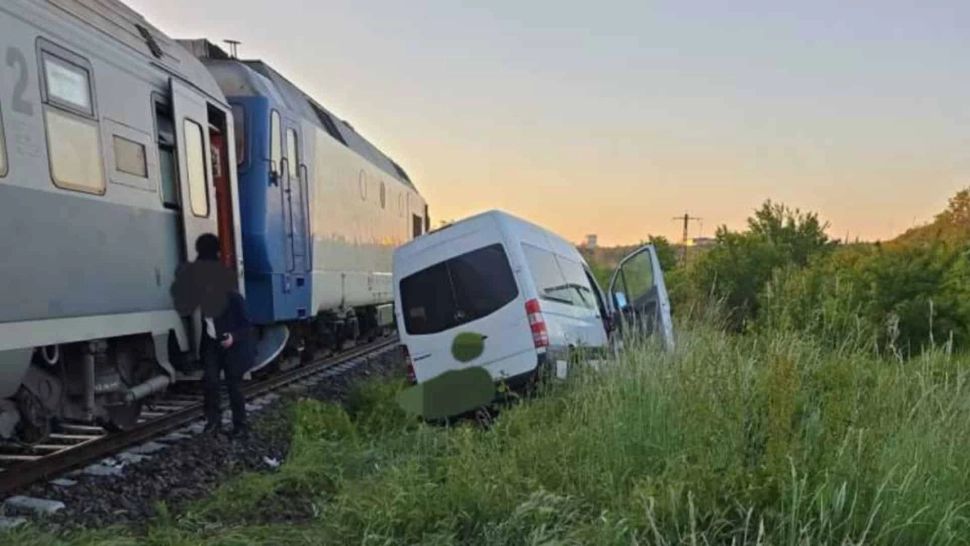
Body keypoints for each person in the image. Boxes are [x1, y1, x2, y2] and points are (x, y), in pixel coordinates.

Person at [192, 234, 255, 438]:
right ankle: (213, 423)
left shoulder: (233, 297)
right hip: (211, 343)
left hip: (232, 345)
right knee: (210, 382)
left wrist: (232, 338)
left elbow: (247, 326)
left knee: (233, 385)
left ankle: (241, 425)